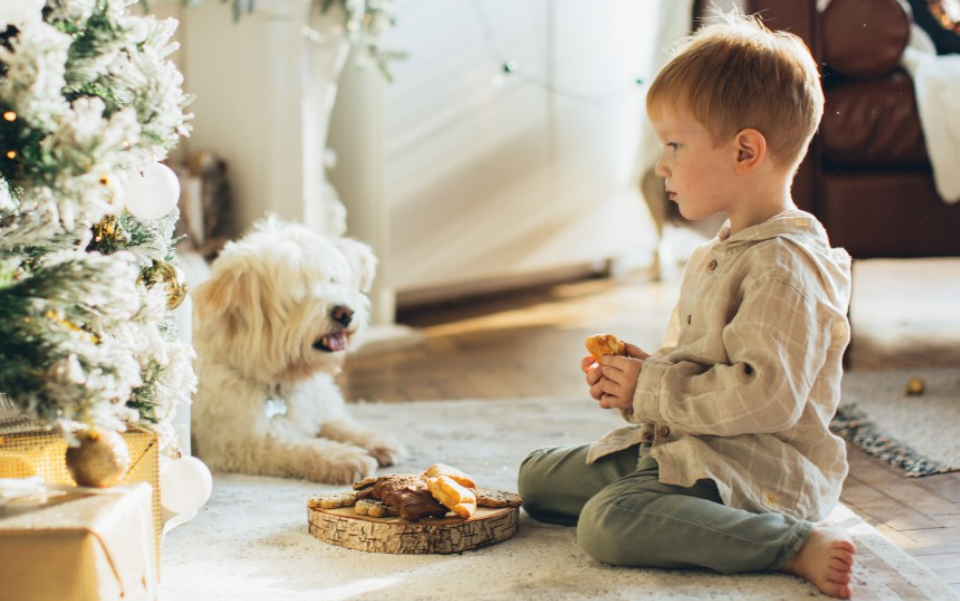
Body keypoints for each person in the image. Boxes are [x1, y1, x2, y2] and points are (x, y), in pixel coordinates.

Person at [517, 10, 857, 600]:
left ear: (745, 151)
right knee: (536, 478)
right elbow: (708, 364)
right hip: (695, 447)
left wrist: (650, 388)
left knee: (608, 523)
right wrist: (642, 375)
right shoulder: (723, 249)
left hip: (755, 470)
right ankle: (667, 507)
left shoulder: (784, 266)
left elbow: (766, 398)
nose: (661, 164)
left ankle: (789, 543)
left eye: (675, 144)